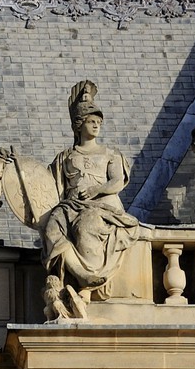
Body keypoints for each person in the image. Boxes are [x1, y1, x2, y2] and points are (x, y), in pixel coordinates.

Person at [42, 79, 138, 319]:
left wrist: (96, 191)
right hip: (70, 206)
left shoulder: (110, 155)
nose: (96, 126)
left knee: (87, 225)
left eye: (98, 122)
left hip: (102, 206)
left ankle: (87, 282)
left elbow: (117, 182)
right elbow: (48, 189)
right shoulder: (65, 157)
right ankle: (80, 278)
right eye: (91, 121)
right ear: (79, 124)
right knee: (53, 225)